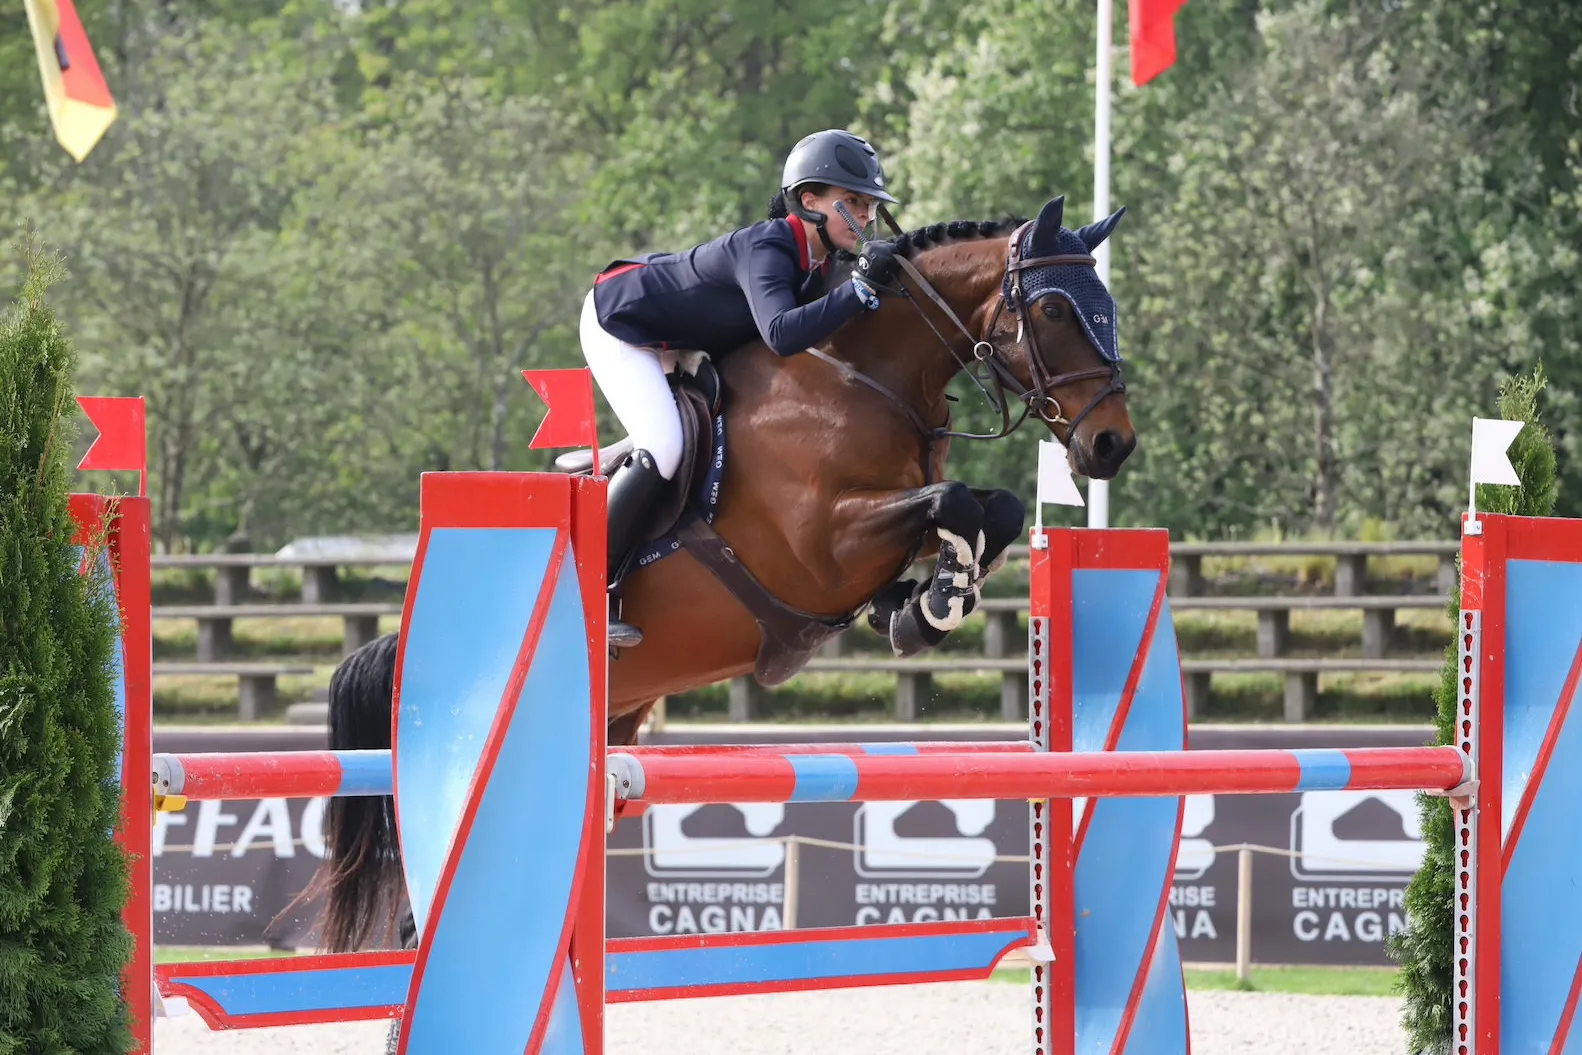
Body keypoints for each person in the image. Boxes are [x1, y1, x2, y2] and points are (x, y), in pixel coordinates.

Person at [581, 129, 903, 645]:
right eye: (854, 203)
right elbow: (781, 334)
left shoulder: (822, 262)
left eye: (869, 206)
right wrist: (861, 290)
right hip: (622, 323)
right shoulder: (770, 245)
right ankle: (586, 593)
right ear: (809, 202)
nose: (865, 217)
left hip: (685, 336)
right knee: (665, 446)